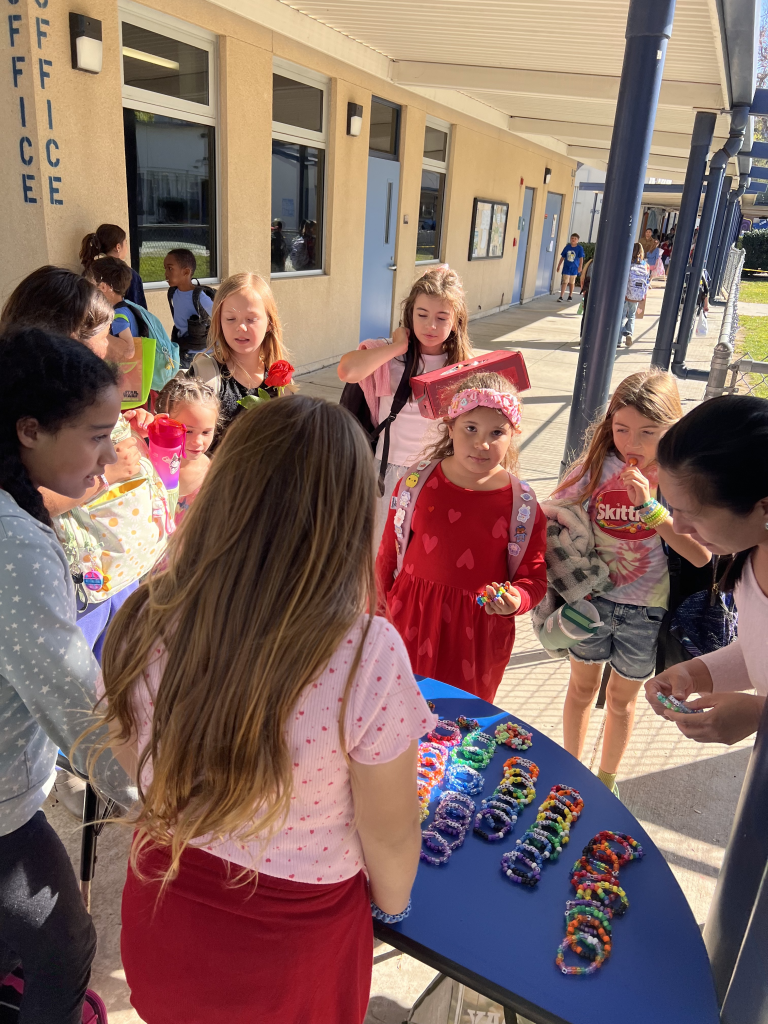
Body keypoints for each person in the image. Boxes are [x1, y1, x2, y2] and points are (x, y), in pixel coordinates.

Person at [97, 396, 431, 1024]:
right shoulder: (366, 653)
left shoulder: (147, 612)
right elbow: (388, 830)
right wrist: (394, 905)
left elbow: (129, 746)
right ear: (350, 517)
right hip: (294, 948)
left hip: (164, 907)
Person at [0, 328, 134, 1024]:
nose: (110, 458)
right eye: (96, 435)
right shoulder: (16, 547)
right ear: (29, 430)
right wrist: (163, 800)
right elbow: (74, 708)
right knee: (66, 944)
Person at [552, 371, 710, 795]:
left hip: (646, 608)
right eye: (621, 429)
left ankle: (606, 781)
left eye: (647, 433)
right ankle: (571, 771)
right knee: (582, 688)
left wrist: (651, 508)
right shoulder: (596, 467)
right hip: (594, 600)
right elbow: (556, 508)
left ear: (671, 429)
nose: (632, 444)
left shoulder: (678, 479)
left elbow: (700, 554)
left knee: (622, 700)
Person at [376, 373, 547, 702]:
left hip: (476, 638)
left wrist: (516, 601)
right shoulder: (415, 484)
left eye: (496, 432)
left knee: (459, 723)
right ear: (450, 427)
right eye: (471, 428)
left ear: (512, 435)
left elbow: (534, 578)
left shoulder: (522, 505)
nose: (482, 443)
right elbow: (387, 556)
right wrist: (375, 615)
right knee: (396, 710)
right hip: (408, 619)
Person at [646, 396, 768, 744]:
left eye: (692, 514)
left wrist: (760, 714)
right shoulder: (750, 552)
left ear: (764, 507)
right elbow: (757, 650)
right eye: (672, 508)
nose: (679, 528)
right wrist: (694, 674)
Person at [338, 265, 473, 541]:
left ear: (457, 320)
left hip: (438, 475)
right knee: (379, 556)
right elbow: (348, 371)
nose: (430, 326)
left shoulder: (462, 366)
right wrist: (397, 348)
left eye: (441, 317)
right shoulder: (388, 354)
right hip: (387, 474)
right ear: (409, 312)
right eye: (422, 314)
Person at [185, 272, 291, 449]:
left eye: (251, 319)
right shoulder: (204, 378)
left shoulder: (282, 386)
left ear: (270, 323)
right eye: (231, 319)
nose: (241, 327)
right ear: (219, 322)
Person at [155, 376, 219, 526]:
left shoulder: (215, 475)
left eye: (206, 432)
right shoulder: (147, 464)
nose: (198, 442)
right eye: (188, 431)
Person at [163, 249, 215, 369]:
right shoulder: (173, 293)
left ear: (186, 272)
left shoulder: (199, 297)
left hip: (202, 355)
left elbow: (221, 318)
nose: (166, 273)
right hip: (184, 352)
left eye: (170, 268)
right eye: (165, 268)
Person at [79, 224, 146, 309]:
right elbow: (140, 311)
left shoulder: (88, 272)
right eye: (125, 242)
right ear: (118, 247)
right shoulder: (129, 275)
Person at [87, 256, 137, 362]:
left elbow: (129, 351)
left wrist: (97, 334)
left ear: (103, 287)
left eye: (91, 285)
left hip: (125, 375)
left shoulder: (117, 315)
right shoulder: (126, 307)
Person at [620, 243, 649, 349]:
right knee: (632, 315)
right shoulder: (644, 264)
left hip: (625, 293)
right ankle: (629, 334)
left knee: (622, 316)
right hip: (637, 294)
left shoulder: (627, 262)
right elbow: (647, 281)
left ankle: (619, 340)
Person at [556, 234, 585, 302]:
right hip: (566, 267)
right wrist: (559, 265)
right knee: (565, 281)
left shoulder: (579, 248)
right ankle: (561, 296)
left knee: (572, 282)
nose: (573, 240)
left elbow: (581, 258)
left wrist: (580, 266)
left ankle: (570, 295)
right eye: (572, 238)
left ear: (577, 240)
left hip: (574, 268)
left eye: (575, 238)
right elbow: (563, 257)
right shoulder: (567, 247)